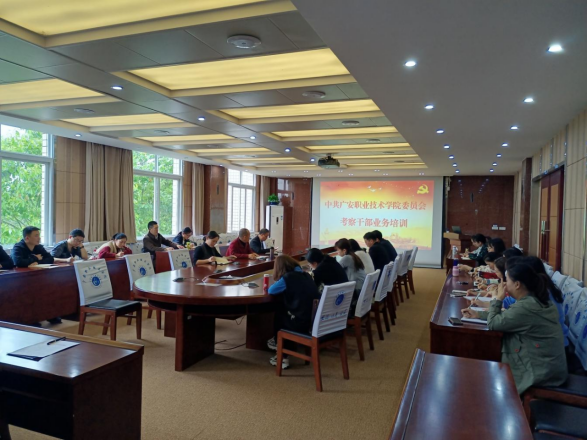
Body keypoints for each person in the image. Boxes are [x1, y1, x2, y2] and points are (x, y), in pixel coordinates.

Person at [462, 263, 568, 394]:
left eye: (507, 281)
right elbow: (509, 317)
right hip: (548, 365)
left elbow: (494, 324)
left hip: (541, 371)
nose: (504, 285)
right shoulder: (533, 300)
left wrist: (498, 299)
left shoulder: (527, 306)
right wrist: (478, 314)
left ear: (517, 284)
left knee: (486, 376)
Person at [266, 255, 321, 370]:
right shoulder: (306, 275)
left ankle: (282, 356)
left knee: (280, 314)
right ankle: (278, 343)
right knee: (284, 311)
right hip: (313, 320)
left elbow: (271, 290)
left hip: (301, 323)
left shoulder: (288, 278)